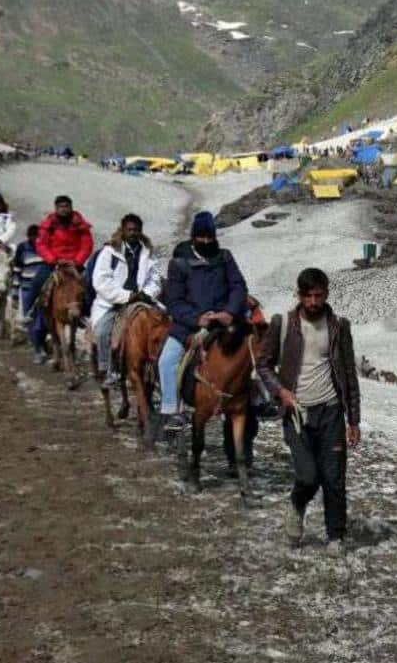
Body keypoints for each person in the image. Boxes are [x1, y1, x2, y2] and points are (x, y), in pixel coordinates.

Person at [257, 267, 361, 547]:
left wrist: (353, 420)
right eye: (308, 296)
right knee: (308, 475)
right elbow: (264, 364)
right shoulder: (283, 324)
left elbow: (349, 373)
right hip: (296, 413)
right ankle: (296, 504)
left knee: (334, 478)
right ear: (299, 295)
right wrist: (280, 391)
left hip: (330, 411)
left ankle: (336, 537)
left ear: (326, 293)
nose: (314, 302)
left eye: (319, 295)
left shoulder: (339, 325)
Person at [159, 211, 248, 433]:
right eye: (202, 237)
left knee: (254, 350)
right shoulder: (179, 263)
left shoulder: (225, 257)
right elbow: (174, 300)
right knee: (167, 360)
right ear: (194, 237)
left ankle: (261, 399)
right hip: (190, 323)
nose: (206, 241)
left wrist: (229, 311)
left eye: (210, 237)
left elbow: (238, 286)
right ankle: (172, 410)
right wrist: (197, 318)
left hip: (223, 320)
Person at [90, 214, 161, 390]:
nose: (133, 233)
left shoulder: (148, 253)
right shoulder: (110, 253)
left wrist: (147, 293)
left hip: (142, 299)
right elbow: (101, 281)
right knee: (102, 331)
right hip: (114, 302)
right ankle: (108, 369)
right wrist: (125, 296)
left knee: (163, 325)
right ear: (122, 230)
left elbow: (155, 278)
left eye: (136, 230)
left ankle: (157, 368)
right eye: (129, 229)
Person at [32, 195, 94, 319]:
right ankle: (30, 311)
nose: (64, 209)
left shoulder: (80, 225)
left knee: (89, 285)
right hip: (53, 263)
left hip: (74, 263)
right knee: (37, 282)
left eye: (66, 206)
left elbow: (87, 244)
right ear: (56, 208)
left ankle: (88, 314)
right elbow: (41, 244)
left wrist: (77, 261)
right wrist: (53, 260)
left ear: (71, 207)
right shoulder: (48, 224)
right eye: (61, 207)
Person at [11, 225, 48, 362]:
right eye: (34, 237)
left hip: (44, 290)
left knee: (42, 321)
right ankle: (37, 350)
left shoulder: (46, 248)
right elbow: (17, 269)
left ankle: (41, 343)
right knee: (30, 320)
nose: (37, 240)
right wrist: (15, 292)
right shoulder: (23, 248)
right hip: (27, 289)